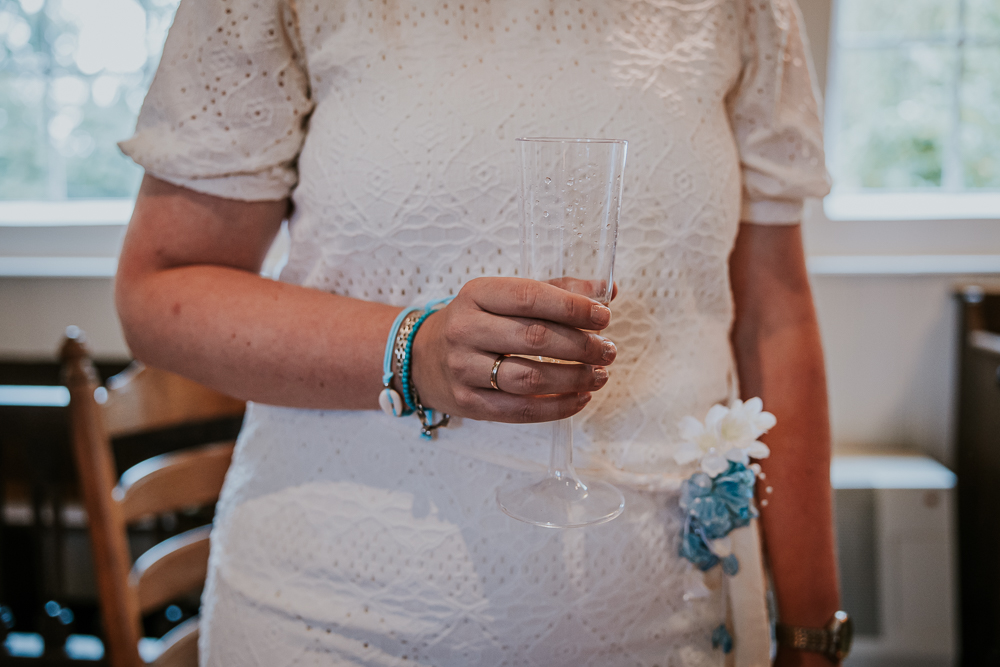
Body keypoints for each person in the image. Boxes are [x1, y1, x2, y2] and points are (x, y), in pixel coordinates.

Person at [115, 0, 841, 663]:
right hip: (335, 622)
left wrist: (812, 634)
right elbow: (160, 289)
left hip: (670, 623)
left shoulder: (744, 11)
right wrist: (414, 352)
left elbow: (776, 317)